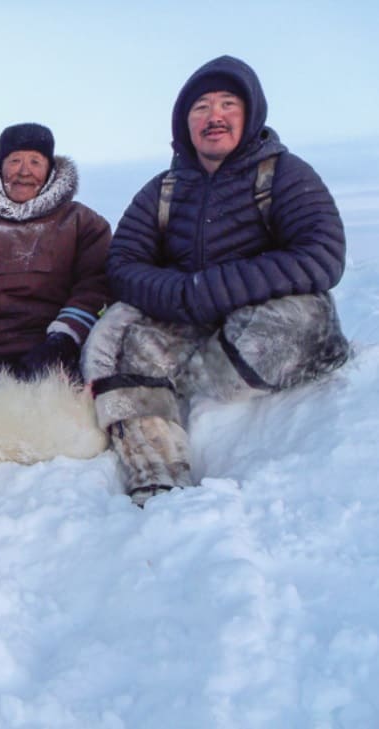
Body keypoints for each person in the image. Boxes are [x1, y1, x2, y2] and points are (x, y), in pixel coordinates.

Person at [82, 55, 350, 507]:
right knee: (130, 345)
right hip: (189, 320)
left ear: (250, 114)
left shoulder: (285, 174)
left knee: (303, 316)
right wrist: (181, 295)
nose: (215, 116)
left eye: (228, 104)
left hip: (263, 323)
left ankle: (194, 388)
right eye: (201, 107)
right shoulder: (161, 190)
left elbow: (322, 255)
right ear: (185, 122)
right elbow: (124, 263)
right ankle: (157, 479)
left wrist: (216, 288)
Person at [0, 123, 112, 381]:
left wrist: (63, 341)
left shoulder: (83, 223)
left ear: (50, 170)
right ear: (0, 167)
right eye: (14, 160)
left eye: (36, 162)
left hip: (61, 353)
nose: (24, 171)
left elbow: (95, 287)